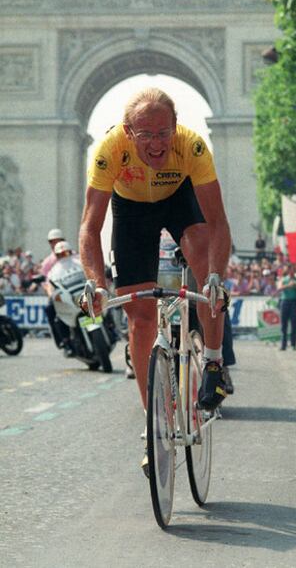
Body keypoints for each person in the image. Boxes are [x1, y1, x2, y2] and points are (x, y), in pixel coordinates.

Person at [78, 88, 231, 472]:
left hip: (179, 198)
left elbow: (218, 223)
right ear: (128, 132)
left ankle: (213, 363)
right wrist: (96, 283)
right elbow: (89, 229)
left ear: (175, 127)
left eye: (164, 132)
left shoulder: (191, 147)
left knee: (202, 257)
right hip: (130, 210)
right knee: (140, 318)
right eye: (145, 134)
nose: (157, 143)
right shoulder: (109, 150)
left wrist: (214, 277)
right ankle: (154, 420)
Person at [277, 263, 296, 351]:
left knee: (294, 324)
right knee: (284, 325)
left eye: (292, 269)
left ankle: (293, 344)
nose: (291, 271)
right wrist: (289, 285)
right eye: (289, 269)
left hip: (294, 302)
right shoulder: (283, 279)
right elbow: (279, 288)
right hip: (285, 301)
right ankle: (283, 345)